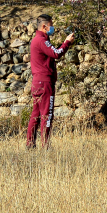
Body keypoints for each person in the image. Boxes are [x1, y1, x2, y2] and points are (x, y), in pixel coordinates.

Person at [26, 14, 74, 149]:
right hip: (45, 83)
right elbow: (57, 53)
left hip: (37, 82)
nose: (52, 28)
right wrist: (67, 42)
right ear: (44, 26)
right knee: (47, 114)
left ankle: (30, 144)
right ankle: (45, 145)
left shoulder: (37, 40)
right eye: (50, 25)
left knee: (35, 114)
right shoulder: (42, 41)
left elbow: (51, 52)